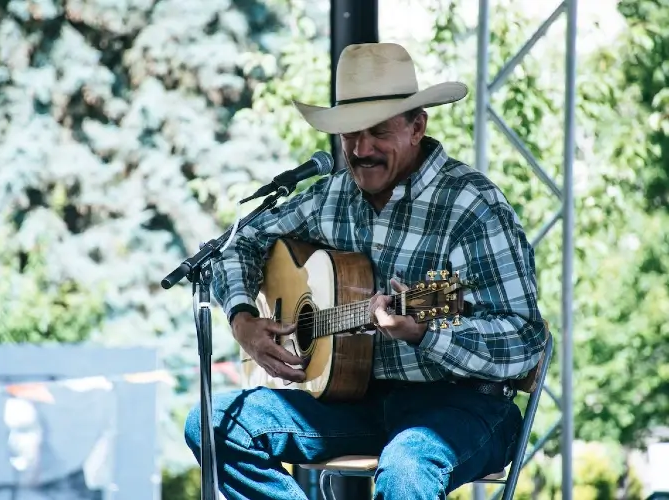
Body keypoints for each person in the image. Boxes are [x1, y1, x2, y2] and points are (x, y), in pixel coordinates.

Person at [184, 42, 547, 500]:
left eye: (378, 131)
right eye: (349, 133)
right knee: (213, 422)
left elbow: (521, 337)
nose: (361, 148)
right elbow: (241, 243)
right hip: (356, 402)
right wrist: (242, 319)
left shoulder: (471, 206)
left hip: (462, 406)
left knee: (408, 466)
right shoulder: (331, 196)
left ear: (418, 127)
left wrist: (424, 334)